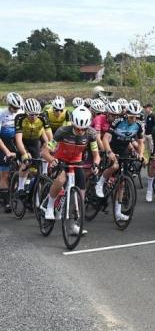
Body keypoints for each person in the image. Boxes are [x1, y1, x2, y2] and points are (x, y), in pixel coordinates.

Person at [40, 106, 100, 236]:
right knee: (61, 179)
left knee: (80, 197)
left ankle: (72, 226)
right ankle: (50, 207)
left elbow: (96, 155)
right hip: (59, 160)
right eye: (77, 128)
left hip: (76, 163)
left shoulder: (91, 134)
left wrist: (96, 164)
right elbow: (45, 152)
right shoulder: (62, 131)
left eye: (82, 129)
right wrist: (52, 160)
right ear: (73, 123)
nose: (79, 131)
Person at [95, 101, 145, 222]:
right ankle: (100, 183)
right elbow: (105, 138)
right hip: (112, 147)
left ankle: (118, 213)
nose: (134, 119)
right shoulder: (118, 121)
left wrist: (141, 154)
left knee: (122, 183)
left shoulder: (138, 125)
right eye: (131, 116)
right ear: (126, 114)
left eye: (136, 116)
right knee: (115, 166)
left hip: (124, 149)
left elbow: (141, 142)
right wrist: (108, 152)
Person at [13, 98, 50, 197]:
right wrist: (24, 153)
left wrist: (48, 150)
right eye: (31, 114)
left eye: (36, 114)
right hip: (23, 142)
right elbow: (19, 140)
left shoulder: (43, 117)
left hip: (35, 142)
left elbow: (50, 138)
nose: (34, 116)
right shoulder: (20, 118)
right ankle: (20, 188)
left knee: (36, 169)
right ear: (26, 112)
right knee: (27, 162)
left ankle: (33, 192)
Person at [0, 92, 23, 212]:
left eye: (17, 107)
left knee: (21, 170)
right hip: (4, 144)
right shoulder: (1, 114)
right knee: (4, 174)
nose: (16, 109)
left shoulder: (21, 113)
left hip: (17, 142)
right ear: (8, 105)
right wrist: (7, 151)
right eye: (14, 107)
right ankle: (6, 201)